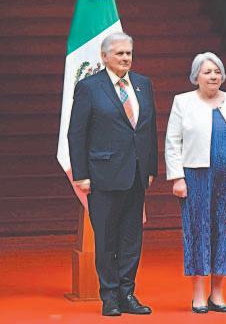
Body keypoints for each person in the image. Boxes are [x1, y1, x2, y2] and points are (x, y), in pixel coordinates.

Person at [68, 32, 157, 317]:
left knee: (131, 239)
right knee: (106, 239)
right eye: (119, 53)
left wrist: (151, 167)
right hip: (103, 175)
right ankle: (109, 297)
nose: (125, 58)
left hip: (136, 174)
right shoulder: (89, 87)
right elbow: (77, 133)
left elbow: (149, 129)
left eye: (128, 53)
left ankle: (127, 293)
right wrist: (81, 174)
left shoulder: (143, 84)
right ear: (104, 57)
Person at [165, 51, 226, 314]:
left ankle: (217, 293)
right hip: (195, 176)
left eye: (217, 72)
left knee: (224, 230)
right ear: (196, 77)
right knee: (197, 230)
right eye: (207, 72)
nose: (213, 76)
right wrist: (177, 177)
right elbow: (173, 142)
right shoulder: (183, 102)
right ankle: (198, 294)